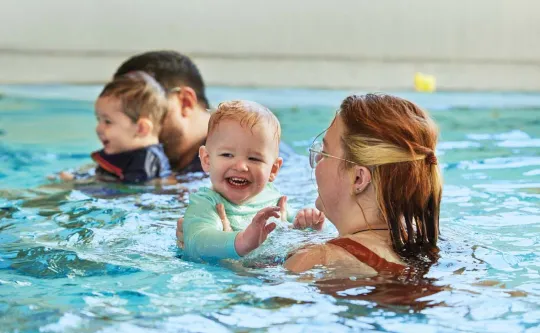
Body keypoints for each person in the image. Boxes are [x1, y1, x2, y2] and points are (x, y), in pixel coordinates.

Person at [283, 93, 442, 278]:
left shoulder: (316, 260)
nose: (317, 159)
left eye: (325, 153)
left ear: (358, 178)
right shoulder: (429, 247)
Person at [181, 100, 325, 262]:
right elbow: (197, 241)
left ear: (273, 169)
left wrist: (309, 225)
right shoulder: (206, 203)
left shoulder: (273, 198)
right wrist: (242, 241)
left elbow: (295, 229)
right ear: (207, 159)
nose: (241, 166)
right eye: (227, 155)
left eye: (254, 158)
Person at [114, 50, 295, 174]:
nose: (123, 123)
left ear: (184, 102)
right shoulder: (152, 161)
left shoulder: (261, 166)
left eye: (135, 107)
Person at [61, 71, 171, 183]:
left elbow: (129, 192)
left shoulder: (146, 162)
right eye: (99, 120)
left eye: (108, 122)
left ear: (141, 128)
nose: (98, 128)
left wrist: (80, 184)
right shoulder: (125, 152)